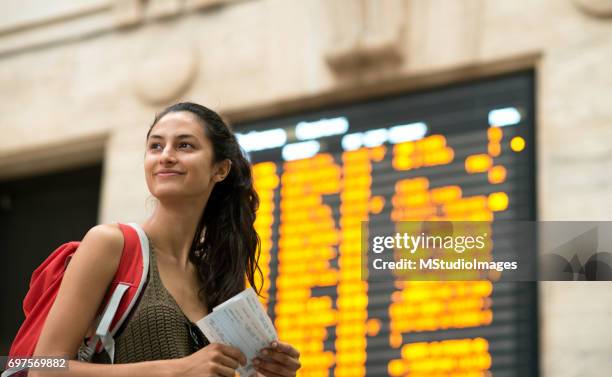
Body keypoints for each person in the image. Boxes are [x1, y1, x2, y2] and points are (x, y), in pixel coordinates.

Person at [31, 103, 301, 377]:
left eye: (185, 146)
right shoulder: (111, 243)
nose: (166, 156)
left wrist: (269, 373)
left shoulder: (215, 281)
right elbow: (42, 369)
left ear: (220, 170)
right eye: (156, 146)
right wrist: (176, 370)